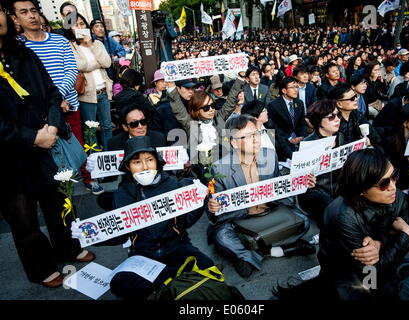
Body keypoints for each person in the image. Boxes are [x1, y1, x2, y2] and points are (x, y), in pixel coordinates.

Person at [0, 4, 94, 288]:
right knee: (23, 216)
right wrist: (31, 137)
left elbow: (52, 93)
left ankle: (68, 248)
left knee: (58, 201)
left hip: (47, 141)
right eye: (21, 10)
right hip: (10, 156)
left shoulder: (22, 53)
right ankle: (41, 268)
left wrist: (52, 125)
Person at [86, 136, 214, 299]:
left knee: (207, 265)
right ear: (128, 166)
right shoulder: (122, 193)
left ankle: (168, 280)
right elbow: (120, 234)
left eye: (149, 160)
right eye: (137, 162)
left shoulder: (173, 185)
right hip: (143, 254)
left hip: (177, 246)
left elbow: (184, 223)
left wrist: (198, 201)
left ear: (157, 162)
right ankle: (174, 278)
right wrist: (92, 235)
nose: (145, 166)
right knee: (120, 284)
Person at [206, 115, 315, 278]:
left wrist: (300, 183)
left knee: (305, 222)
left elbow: (280, 190)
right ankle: (279, 249)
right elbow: (216, 214)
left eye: (256, 133)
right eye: (248, 136)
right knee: (222, 237)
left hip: (268, 211)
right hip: (240, 217)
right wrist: (212, 206)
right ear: (233, 142)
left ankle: (255, 254)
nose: (256, 140)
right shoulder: (219, 168)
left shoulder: (270, 155)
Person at [10, 0, 100, 194]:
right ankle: (59, 191)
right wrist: (52, 104)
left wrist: (59, 97)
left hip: (69, 105)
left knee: (78, 146)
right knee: (48, 156)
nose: (31, 15)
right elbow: (24, 82)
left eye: (34, 10)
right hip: (39, 113)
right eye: (24, 12)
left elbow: (70, 71)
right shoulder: (17, 47)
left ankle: (89, 179)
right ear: (15, 19)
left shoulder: (59, 41)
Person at [318, 148, 409, 300]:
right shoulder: (344, 217)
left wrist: (380, 243)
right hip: (346, 272)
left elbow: (408, 232)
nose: (393, 186)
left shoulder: (398, 197)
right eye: (384, 184)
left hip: (387, 259)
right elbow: (370, 272)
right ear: (361, 189)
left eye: (394, 176)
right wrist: (404, 235)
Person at [68, 14, 114, 153]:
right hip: (87, 95)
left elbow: (107, 63)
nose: (80, 27)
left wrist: (90, 45)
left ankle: (109, 155)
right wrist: (97, 63)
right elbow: (80, 65)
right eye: (76, 25)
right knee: (90, 129)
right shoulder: (71, 46)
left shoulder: (97, 44)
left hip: (103, 91)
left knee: (107, 127)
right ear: (70, 29)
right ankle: (94, 158)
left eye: (82, 24)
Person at [297, 100, 343, 222]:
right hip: (315, 191)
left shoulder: (340, 137)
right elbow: (298, 178)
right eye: (331, 117)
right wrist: (305, 179)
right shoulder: (308, 144)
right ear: (319, 121)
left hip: (338, 188)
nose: (337, 119)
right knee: (329, 204)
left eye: (338, 115)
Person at [268, 76, 307, 161]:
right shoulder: (274, 105)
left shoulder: (299, 103)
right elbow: (275, 128)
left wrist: (301, 136)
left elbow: (302, 123)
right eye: (292, 87)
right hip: (282, 140)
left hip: (298, 139)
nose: (296, 90)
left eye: (297, 87)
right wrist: (289, 138)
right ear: (284, 90)